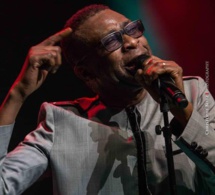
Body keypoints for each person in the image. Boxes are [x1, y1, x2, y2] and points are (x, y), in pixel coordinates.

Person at [0, 3, 215, 195]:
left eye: (132, 29)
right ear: (86, 73)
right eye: (112, 40)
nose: (132, 41)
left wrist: (182, 113)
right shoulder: (62, 123)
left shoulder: (192, 92)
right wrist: (17, 94)